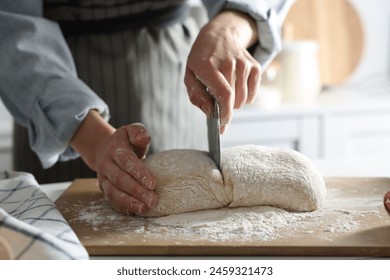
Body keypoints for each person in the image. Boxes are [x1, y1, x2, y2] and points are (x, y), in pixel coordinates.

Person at [0, 0, 289, 215]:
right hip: (50, 90)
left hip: (175, 69)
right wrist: (92, 139)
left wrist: (233, 24)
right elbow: (9, 24)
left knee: (189, 217)